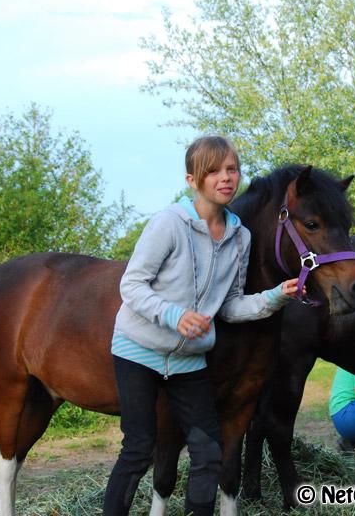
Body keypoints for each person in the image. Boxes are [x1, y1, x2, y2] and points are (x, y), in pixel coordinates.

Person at [103, 136, 301, 516]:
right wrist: (176, 316)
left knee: (209, 452)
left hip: (189, 359)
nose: (226, 178)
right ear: (193, 180)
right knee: (140, 448)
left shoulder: (239, 237)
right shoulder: (168, 224)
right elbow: (130, 285)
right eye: (213, 171)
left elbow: (229, 306)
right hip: (138, 350)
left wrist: (276, 295)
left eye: (232, 169)